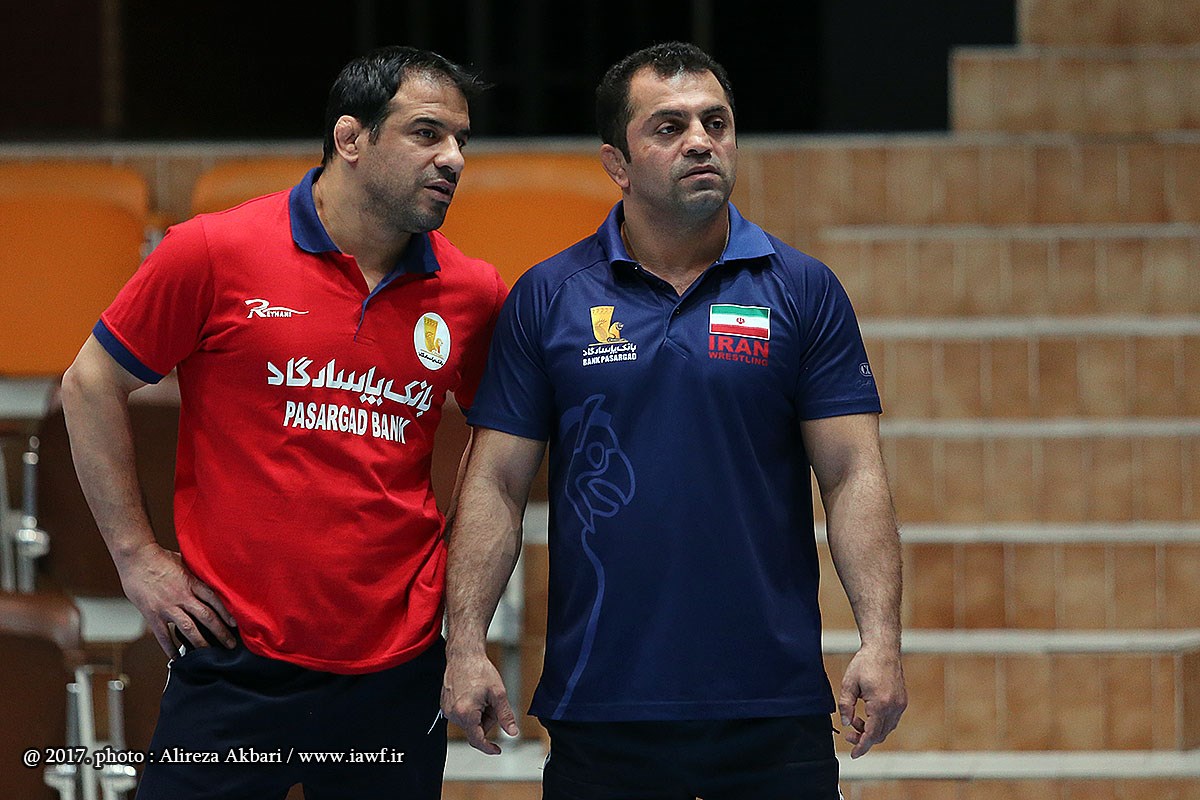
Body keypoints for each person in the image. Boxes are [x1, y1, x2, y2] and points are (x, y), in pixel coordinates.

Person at [441, 41, 906, 799]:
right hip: (602, 704)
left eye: (716, 123)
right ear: (616, 163)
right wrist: (465, 646)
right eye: (669, 126)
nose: (700, 141)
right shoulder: (549, 297)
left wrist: (880, 639)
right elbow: (495, 482)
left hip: (772, 705)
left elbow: (852, 473)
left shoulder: (804, 290)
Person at [61, 46, 506, 799]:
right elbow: (90, 383)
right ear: (351, 138)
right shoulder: (213, 250)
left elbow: (501, 443)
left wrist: (461, 628)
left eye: (461, 139)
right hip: (234, 656)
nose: (454, 159)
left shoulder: (473, 292)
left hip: (396, 670)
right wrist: (136, 557)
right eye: (427, 133)